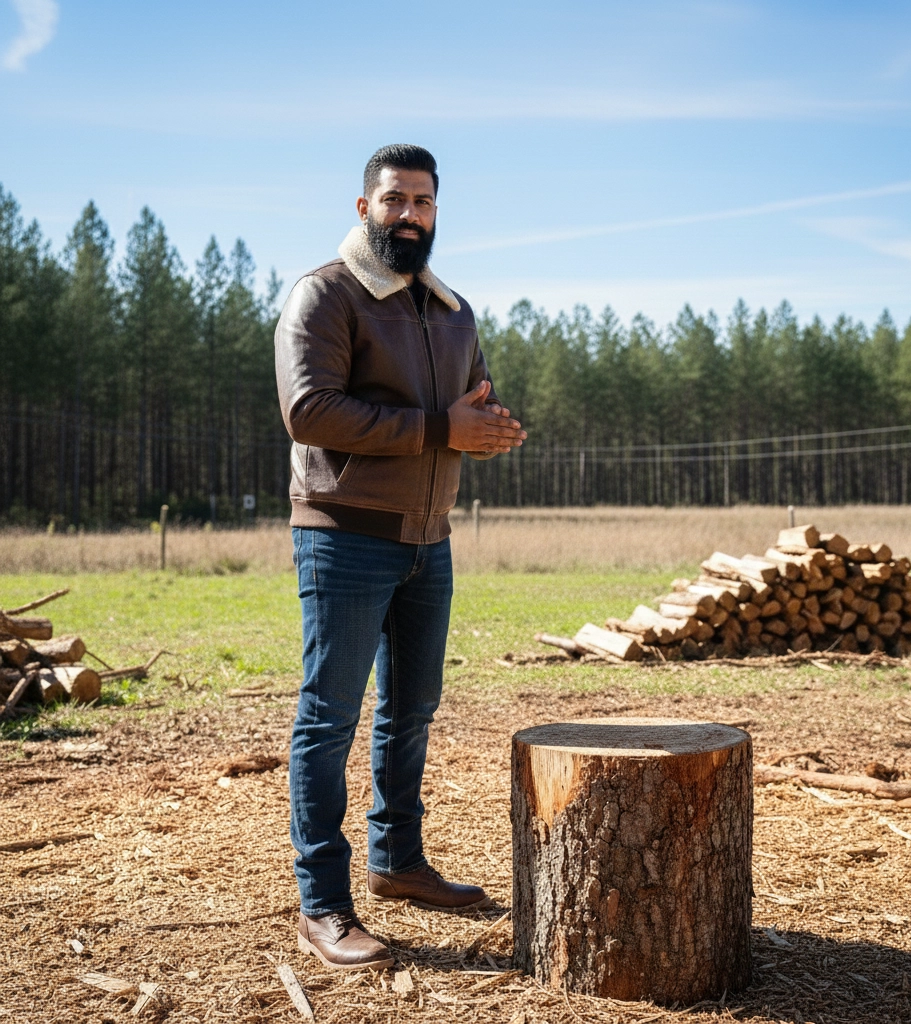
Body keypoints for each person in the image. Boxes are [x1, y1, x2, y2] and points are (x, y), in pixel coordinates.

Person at [274, 144, 526, 971]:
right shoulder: (325, 294)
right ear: (363, 208)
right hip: (343, 536)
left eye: (421, 202)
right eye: (393, 200)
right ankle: (323, 906)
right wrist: (440, 429)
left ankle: (398, 864)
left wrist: (488, 428)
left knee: (410, 709)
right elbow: (310, 411)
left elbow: (469, 400)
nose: (408, 214)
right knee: (329, 718)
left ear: (436, 212)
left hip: (430, 539)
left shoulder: (453, 311)